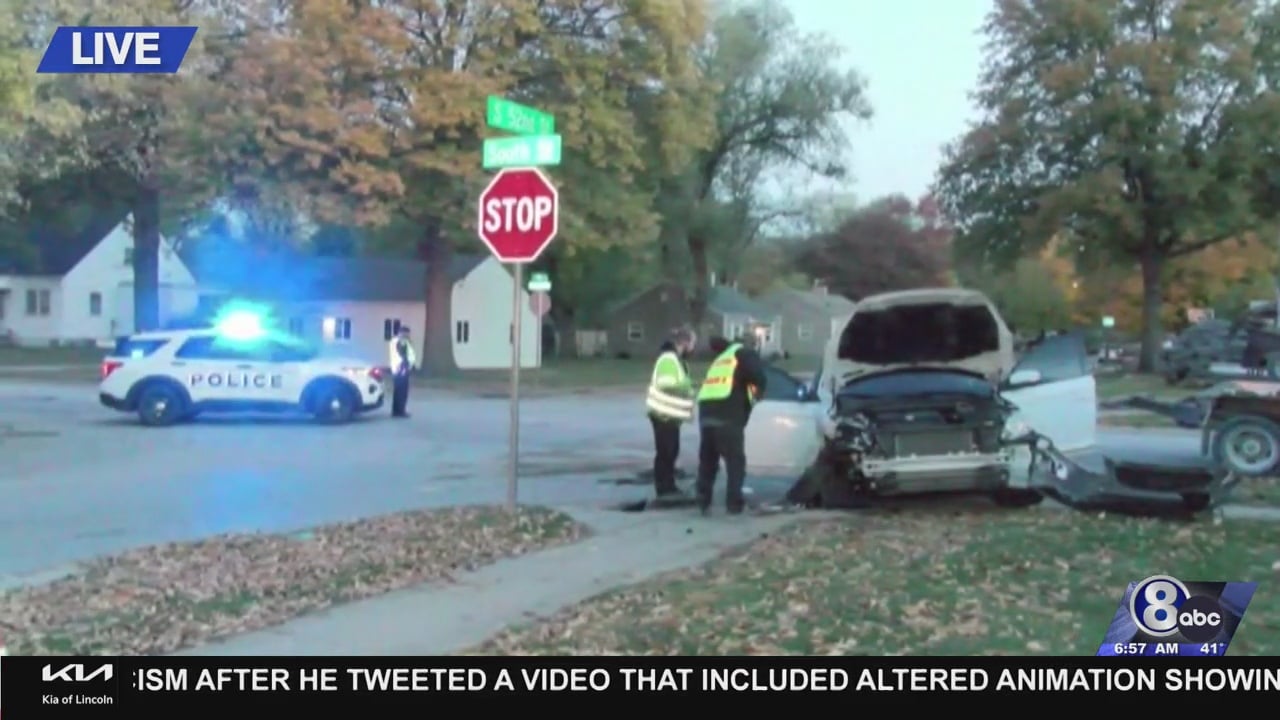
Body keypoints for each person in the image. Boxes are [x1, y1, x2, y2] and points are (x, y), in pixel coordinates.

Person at [694, 334, 767, 515]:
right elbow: (759, 377)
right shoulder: (744, 353)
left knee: (708, 462)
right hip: (727, 415)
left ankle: (703, 501)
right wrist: (758, 395)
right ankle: (734, 505)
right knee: (735, 462)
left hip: (706, 414)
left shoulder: (723, 359)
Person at [646, 327, 697, 499]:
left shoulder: (676, 360)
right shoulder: (668, 359)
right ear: (684, 342)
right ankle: (664, 489)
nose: (693, 348)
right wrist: (687, 388)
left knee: (671, 452)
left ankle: (669, 486)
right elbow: (666, 383)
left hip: (670, 416)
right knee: (665, 453)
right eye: (692, 343)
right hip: (663, 415)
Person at [388, 326, 418, 418]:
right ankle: (399, 411)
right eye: (406, 333)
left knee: (401, 391)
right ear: (401, 333)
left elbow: (410, 354)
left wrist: (411, 364)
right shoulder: (396, 342)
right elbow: (399, 355)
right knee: (401, 391)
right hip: (400, 368)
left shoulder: (405, 342)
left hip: (404, 368)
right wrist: (404, 365)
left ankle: (398, 410)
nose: (408, 335)